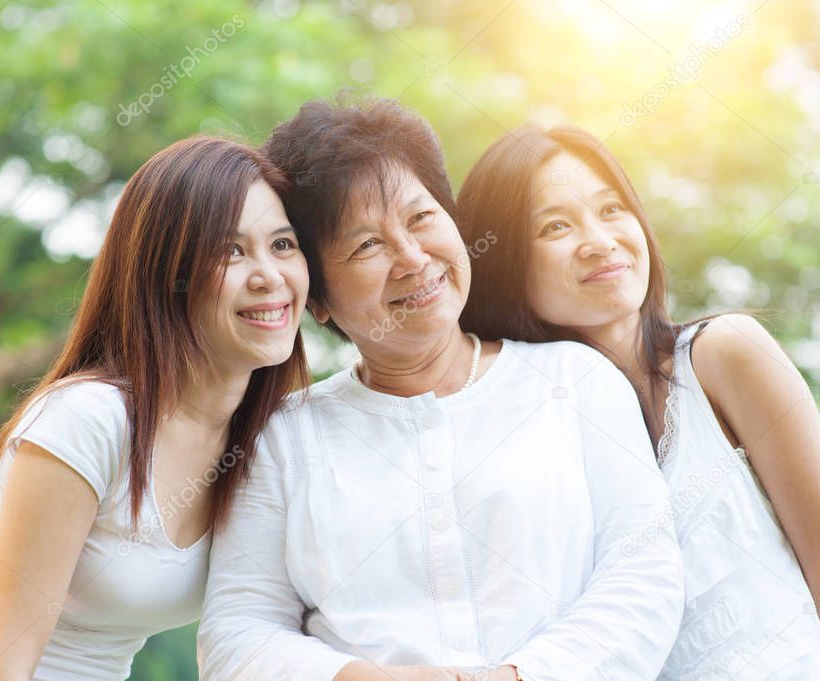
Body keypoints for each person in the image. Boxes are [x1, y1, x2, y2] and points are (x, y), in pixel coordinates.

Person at [197, 98, 683, 681]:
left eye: (421, 218)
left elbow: (644, 574)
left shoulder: (573, 380)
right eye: (366, 246)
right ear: (318, 298)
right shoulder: (282, 436)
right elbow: (238, 633)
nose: (412, 258)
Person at [0, 136, 310, 681]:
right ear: (167, 275)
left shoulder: (260, 443)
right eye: (230, 251)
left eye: (282, 245)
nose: (268, 276)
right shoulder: (90, 419)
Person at [456, 122, 820, 680]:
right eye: (555, 226)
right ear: (503, 264)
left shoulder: (724, 355)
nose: (600, 241)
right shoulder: (512, 437)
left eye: (610, 210)